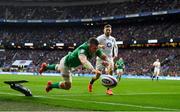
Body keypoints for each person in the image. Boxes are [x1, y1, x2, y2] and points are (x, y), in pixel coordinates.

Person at [39, 37, 109, 92]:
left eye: (96, 48)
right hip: (66, 65)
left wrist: (107, 61)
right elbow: (84, 61)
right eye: (94, 48)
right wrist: (93, 69)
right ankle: (51, 86)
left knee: (59, 67)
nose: (95, 50)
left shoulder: (95, 48)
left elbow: (104, 56)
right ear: (89, 46)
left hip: (72, 64)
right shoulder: (83, 49)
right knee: (68, 86)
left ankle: (46, 67)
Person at [88, 24, 118, 95]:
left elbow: (116, 47)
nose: (108, 31)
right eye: (107, 30)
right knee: (98, 75)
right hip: (100, 58)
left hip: (109, 58)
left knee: (110, 71)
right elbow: (93, 45)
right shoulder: (100, 38)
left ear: (111, 31)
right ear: (104, 30)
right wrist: (100, 46)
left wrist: (115, 54)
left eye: (109, 30)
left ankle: (109, 89)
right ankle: (91, 83)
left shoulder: (113, 39)